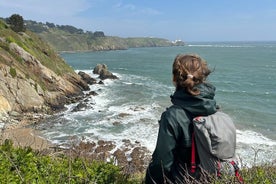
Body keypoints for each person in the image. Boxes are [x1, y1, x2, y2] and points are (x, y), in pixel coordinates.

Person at [145, 54, 217, 183]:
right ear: (202, 77)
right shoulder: (214, 110)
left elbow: (161, 164)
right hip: (210, 179)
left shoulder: (172, 116)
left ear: (174, 78)